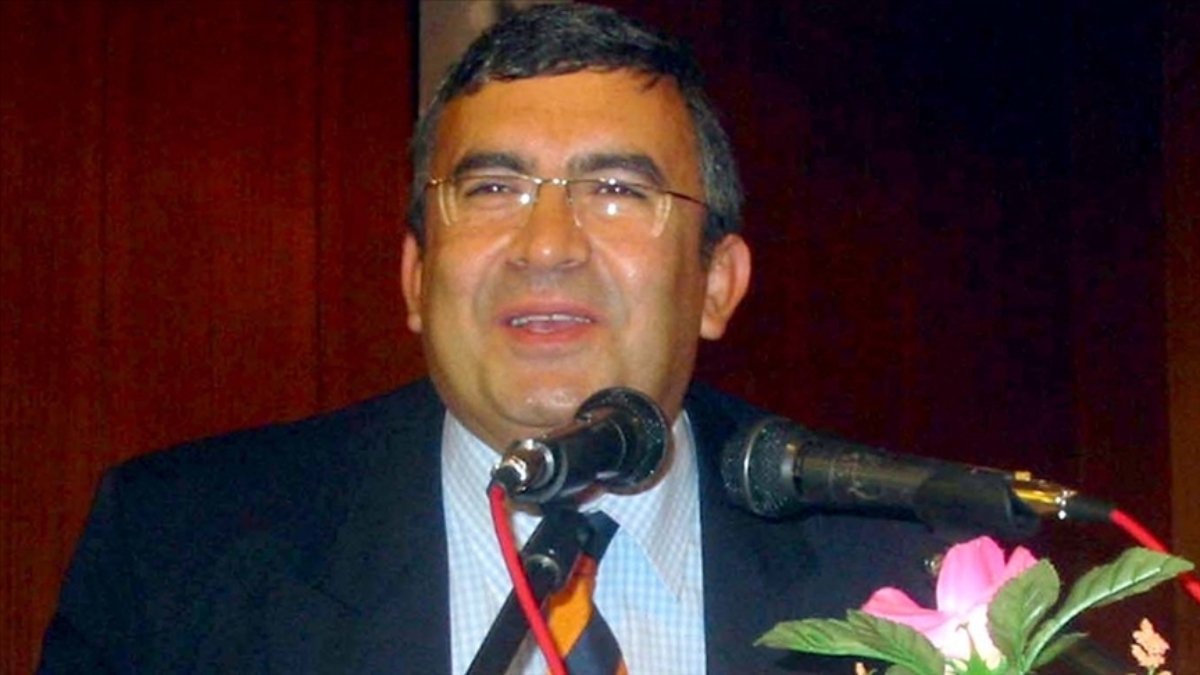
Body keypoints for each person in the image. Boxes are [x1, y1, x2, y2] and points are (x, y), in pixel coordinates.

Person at [39, 4, 946, 673]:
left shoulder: (899, 576)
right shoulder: (179, 553)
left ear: (717, 283)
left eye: (617, 191)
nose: (545, 246)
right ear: (415, 278)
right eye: (491, 190)